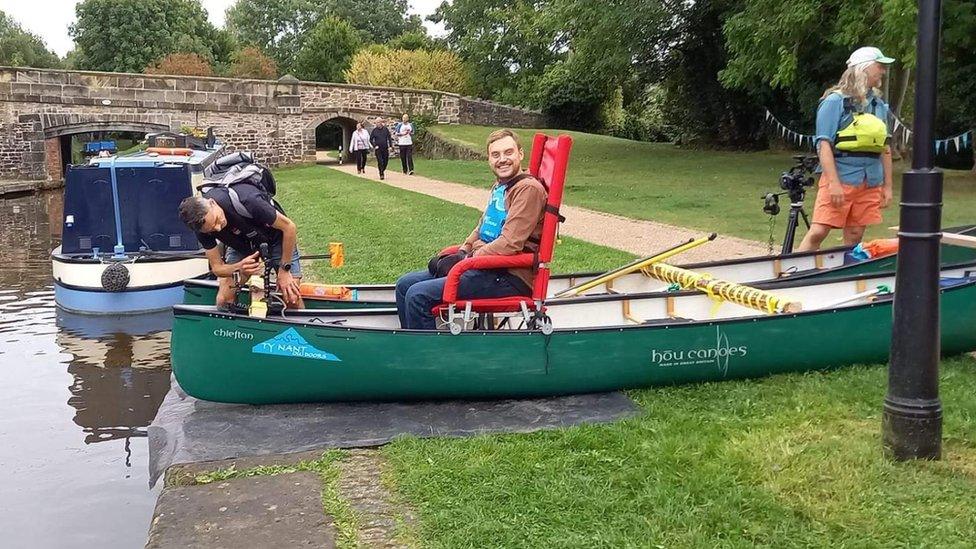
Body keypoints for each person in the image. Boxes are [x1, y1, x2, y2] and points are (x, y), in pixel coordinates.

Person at [394, 129, 546, 330]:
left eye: (508, 153)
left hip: (509, 276)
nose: (502, 160)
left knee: (418, 295)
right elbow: (483, 225)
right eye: (495, 155)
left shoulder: (528, 190)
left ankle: (429, 359)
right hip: (486, 266)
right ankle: (412, 346)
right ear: (489, 160)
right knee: (404, 285)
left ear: (520, 154)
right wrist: (464, 249)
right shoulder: (502, 185)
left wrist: (468, 260)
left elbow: (510, 243)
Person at [797, 47, 895, 252]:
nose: (883, 72)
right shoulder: (834, 102)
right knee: (819, 231)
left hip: (870, 180)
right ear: (864, 68)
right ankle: (793, 272)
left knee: (855, 234)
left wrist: (888, 186)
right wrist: (833, 184)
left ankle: (846, 275)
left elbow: (884, 148)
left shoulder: (879, 105)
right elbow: (824, 145)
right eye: (879, 66)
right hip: (842, 177)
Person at [178, 179, 304, 309]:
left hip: (276, 239)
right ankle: (232, 327)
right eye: (211, 230)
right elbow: (217, 268)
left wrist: (284, 270)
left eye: (216, 220)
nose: (218, 229)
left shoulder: (249, 200)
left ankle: (303, 328)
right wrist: (239, 267)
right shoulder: (201, 228)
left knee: (291, 297)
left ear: (213, 203)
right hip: (243, 246)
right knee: (224, 299)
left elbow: (289, 227)